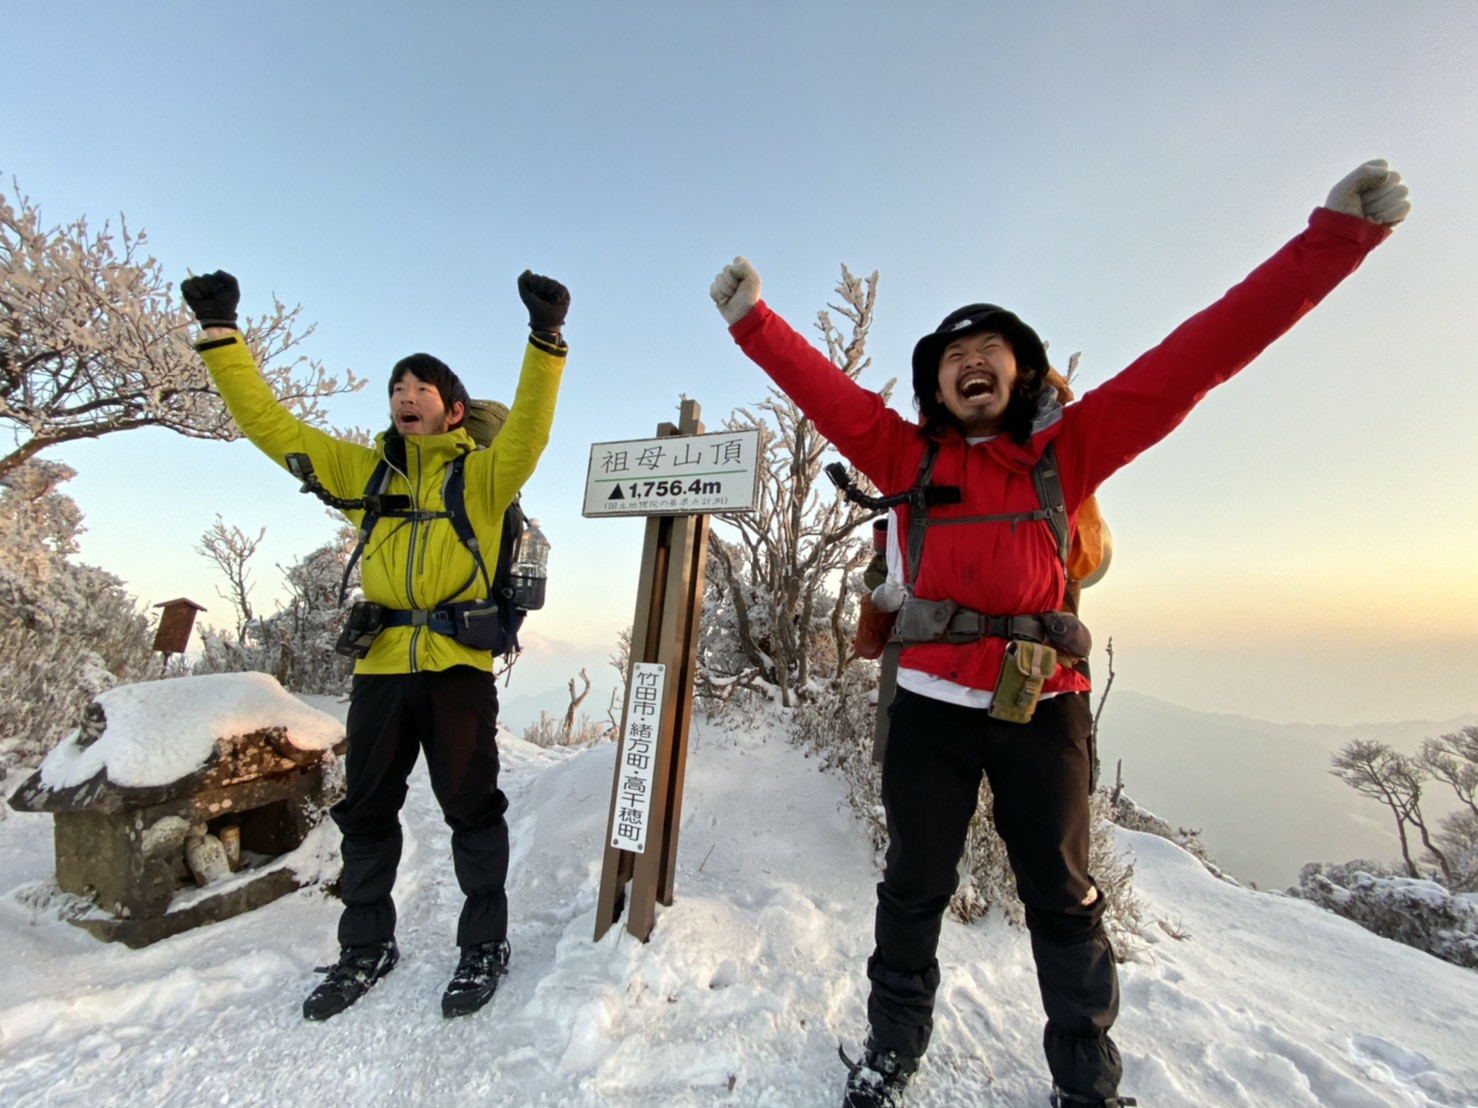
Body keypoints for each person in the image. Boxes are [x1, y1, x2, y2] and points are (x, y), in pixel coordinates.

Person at [709, 161, 1409, 1108]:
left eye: (990, 348)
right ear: (936, 386)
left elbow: (1200, 354)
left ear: (1023, 371)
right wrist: (754, 321)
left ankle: (1087, 1083)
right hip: (929, 710)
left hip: (1043, 706)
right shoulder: (904, 456)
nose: (971, 361)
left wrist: (1335, 241)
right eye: (953, 356)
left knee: (1064, 898)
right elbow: (824, 393)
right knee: (913, 888)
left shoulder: (1070, 451)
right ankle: (891, 1051)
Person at [181, 268, 571, 1021]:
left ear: (452, 410)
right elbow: (275, 430)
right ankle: (365, 948)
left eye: (421, 388)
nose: (404, 395)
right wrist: (221, 334)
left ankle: (483, 945)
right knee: (365, 814)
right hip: (383, 670)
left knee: (472, 812)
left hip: (457, 671)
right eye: (397, 388)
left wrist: (545, 338)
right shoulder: (370, 476)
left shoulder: (483, 479)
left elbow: (528, 428)